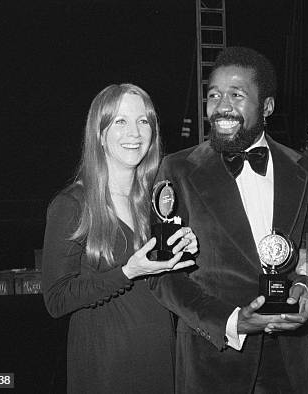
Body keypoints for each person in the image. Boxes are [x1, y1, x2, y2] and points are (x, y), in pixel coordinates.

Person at [149, 47, 308, 393]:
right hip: (212, 361)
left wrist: (307, 288)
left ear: (267, 107)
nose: (222, 106)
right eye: (213, 95)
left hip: (288, 364)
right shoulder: (177, 169)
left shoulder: (303, 168)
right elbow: (162, 276)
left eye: (236, 95)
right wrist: (230, 321)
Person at [41, 84, 198, 394]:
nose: (135, 132)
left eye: (143, 121)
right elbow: (56, 300)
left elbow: (162, 286)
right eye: (121, 121)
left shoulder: (155, 202)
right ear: (100, 132)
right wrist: (127, 272)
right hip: (106, 367)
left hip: (162, 359)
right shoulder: (73, 204)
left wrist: (184, 255)